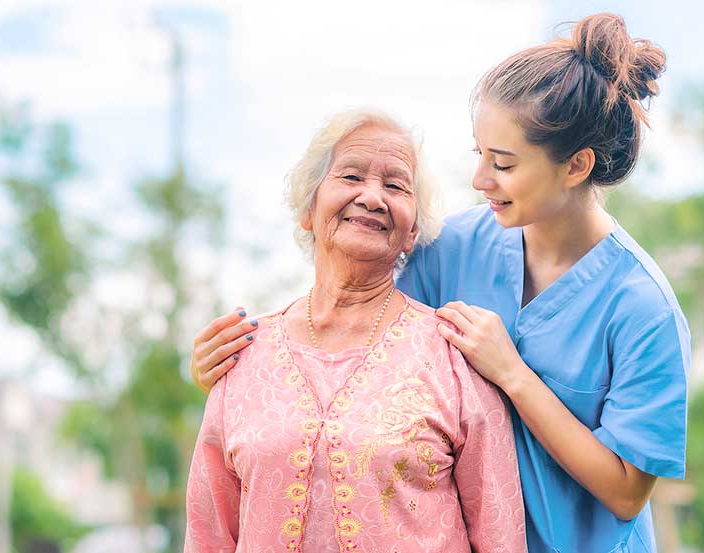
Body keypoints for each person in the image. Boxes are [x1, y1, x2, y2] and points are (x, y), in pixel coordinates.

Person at [192, 13, 690, 553]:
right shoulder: (451, 248)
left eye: (502, 163)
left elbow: (626, 493)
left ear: (577, 166)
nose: (479, 181)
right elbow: (359, 330)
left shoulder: (643, 307)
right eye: (480, 154)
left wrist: (514, 375)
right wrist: (240, 379)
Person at [184, 109, 527, 552]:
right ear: (308, 209)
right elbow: (208, 534)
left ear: (411, 232)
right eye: (350, 176)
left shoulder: (454, 357)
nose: (372, 197)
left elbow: (501, 537)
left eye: (395, 186)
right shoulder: (243, 356)